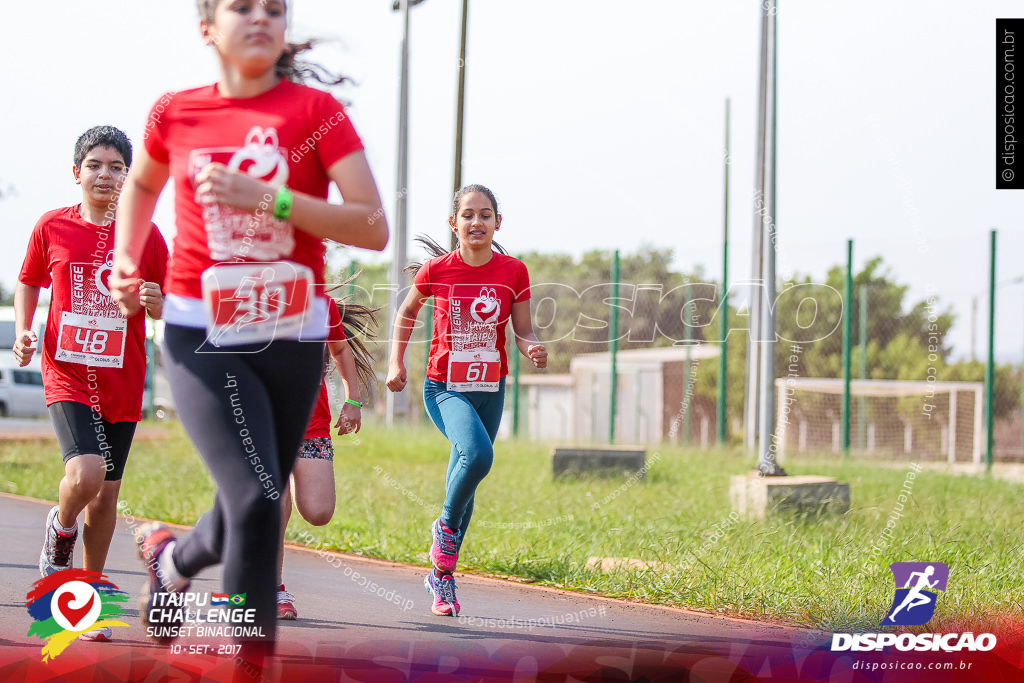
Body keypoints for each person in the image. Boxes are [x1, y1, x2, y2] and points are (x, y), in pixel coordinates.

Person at [109, 0, 387, 664]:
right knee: (262, 494)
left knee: (258, 498)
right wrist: (125, 256)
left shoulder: (317, 116)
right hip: (202, 332)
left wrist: (266, 198)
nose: (260, 16)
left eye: (274, 8)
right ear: (208, 27)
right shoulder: (178, 112)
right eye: (241, 6)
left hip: (291, 334)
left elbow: (371, 225)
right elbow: (141, 187)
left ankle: (174, 560)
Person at [13, 125, 168, 643]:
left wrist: (154, 303)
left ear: (129, 176)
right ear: (76, 172)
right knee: (85, 472)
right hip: (67, 372)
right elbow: (29, 281)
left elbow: (172, 301)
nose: (105, 175)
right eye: (95, 166)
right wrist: (24, 331)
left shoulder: (145, 234)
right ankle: (59, 533)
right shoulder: (52, 226)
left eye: (116, 167)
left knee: (104, 499)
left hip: (123, 378)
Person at [385, 184, 547, 617]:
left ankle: (442, 577)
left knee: (468, 475)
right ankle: (444, 533)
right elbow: (406, 313)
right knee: (477, 456)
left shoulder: (514, 271)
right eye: (468, 215)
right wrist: (395, 364)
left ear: (498, 222)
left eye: (486, 215)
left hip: (491, 388)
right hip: (445, 387)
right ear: (453, 223)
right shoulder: (437, 270)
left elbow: (523, 328)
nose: (477, 222)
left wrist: (532, 347)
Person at [277, 294, 378, 620]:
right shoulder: (247, 294)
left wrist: (353, 400)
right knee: (276, 505)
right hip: (262, 422)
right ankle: (272, 588)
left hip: (311, 424)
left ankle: (230, 529)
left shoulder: (320, 303)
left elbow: (340, 348)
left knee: (319, 511)